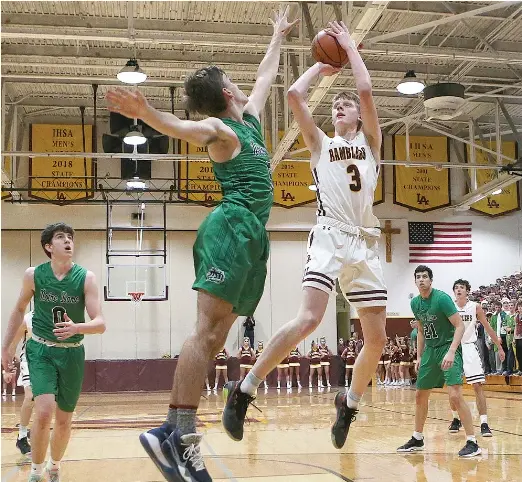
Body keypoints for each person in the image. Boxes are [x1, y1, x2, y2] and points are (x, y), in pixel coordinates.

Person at [106, 8, 298, 482]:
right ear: (226, 93)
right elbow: (185, 128)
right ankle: (182, 436)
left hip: (252, 237)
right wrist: (148, 114)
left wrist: (275, 34)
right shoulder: (223, 131)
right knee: (206, 330)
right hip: (231, 226)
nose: (243, 85)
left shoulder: (249, 121)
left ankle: (170, 431)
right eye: (235, 81)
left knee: (216, 336)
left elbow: (265, 74)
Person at [222, 20, 387, 451]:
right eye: (336, 106)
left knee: (377, 338)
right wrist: (321, 67)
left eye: (345, 106)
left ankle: (348, 403)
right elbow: (294, 95)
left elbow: (367, 90)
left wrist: (350, 50)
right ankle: (244, 389)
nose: (340, 108)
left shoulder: (371, 142)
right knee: (310, 319)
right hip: (331, 234)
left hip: (366, 242)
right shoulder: (320, 145)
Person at [1, 222, 106, 482]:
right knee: (44, 409)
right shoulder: (33, 275)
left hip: (72, 353)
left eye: (70, 237)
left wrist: (77, 327)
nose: (68, 241)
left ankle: (54, 465)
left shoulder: (86, 278)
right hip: (41, 350)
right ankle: (36, 471)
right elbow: (18, 311)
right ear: (49, 246)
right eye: (61, 238)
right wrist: (7, 347)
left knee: (63, 419)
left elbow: (100, 324)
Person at [397, 266, 481, 457]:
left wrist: (451, 352)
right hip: (430, 351)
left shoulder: (442, 299)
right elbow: (420, 330)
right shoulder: (415, 303)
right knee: (420, 394)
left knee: (454, 395)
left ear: (431, 280)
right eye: (418, 277)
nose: (421, 280)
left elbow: (459, 326)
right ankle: (417, 438)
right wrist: (418, 356)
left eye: (425, 277)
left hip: (448, 347)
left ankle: (472, 442)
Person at [448, 279, 505, 437]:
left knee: (478, 385)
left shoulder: (475, 307)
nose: (459, 290)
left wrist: (499, 347)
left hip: (470, 347)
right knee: (453, 387)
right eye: (456, 288)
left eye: (462, 288)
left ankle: (484, 423)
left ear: (467, 291)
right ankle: (455, 419)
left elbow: (488, 327)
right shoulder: (449, 307)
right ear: (454, 291)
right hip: (454, 348)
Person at [8, 310, 36, 456]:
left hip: (47, 363)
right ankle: (22, 436)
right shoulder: (27, 319)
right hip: (29, 360)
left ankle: (34, 430)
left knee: (47, 400)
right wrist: (8, 368)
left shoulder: (54, 318)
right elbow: (13, 344)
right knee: (30, 395)